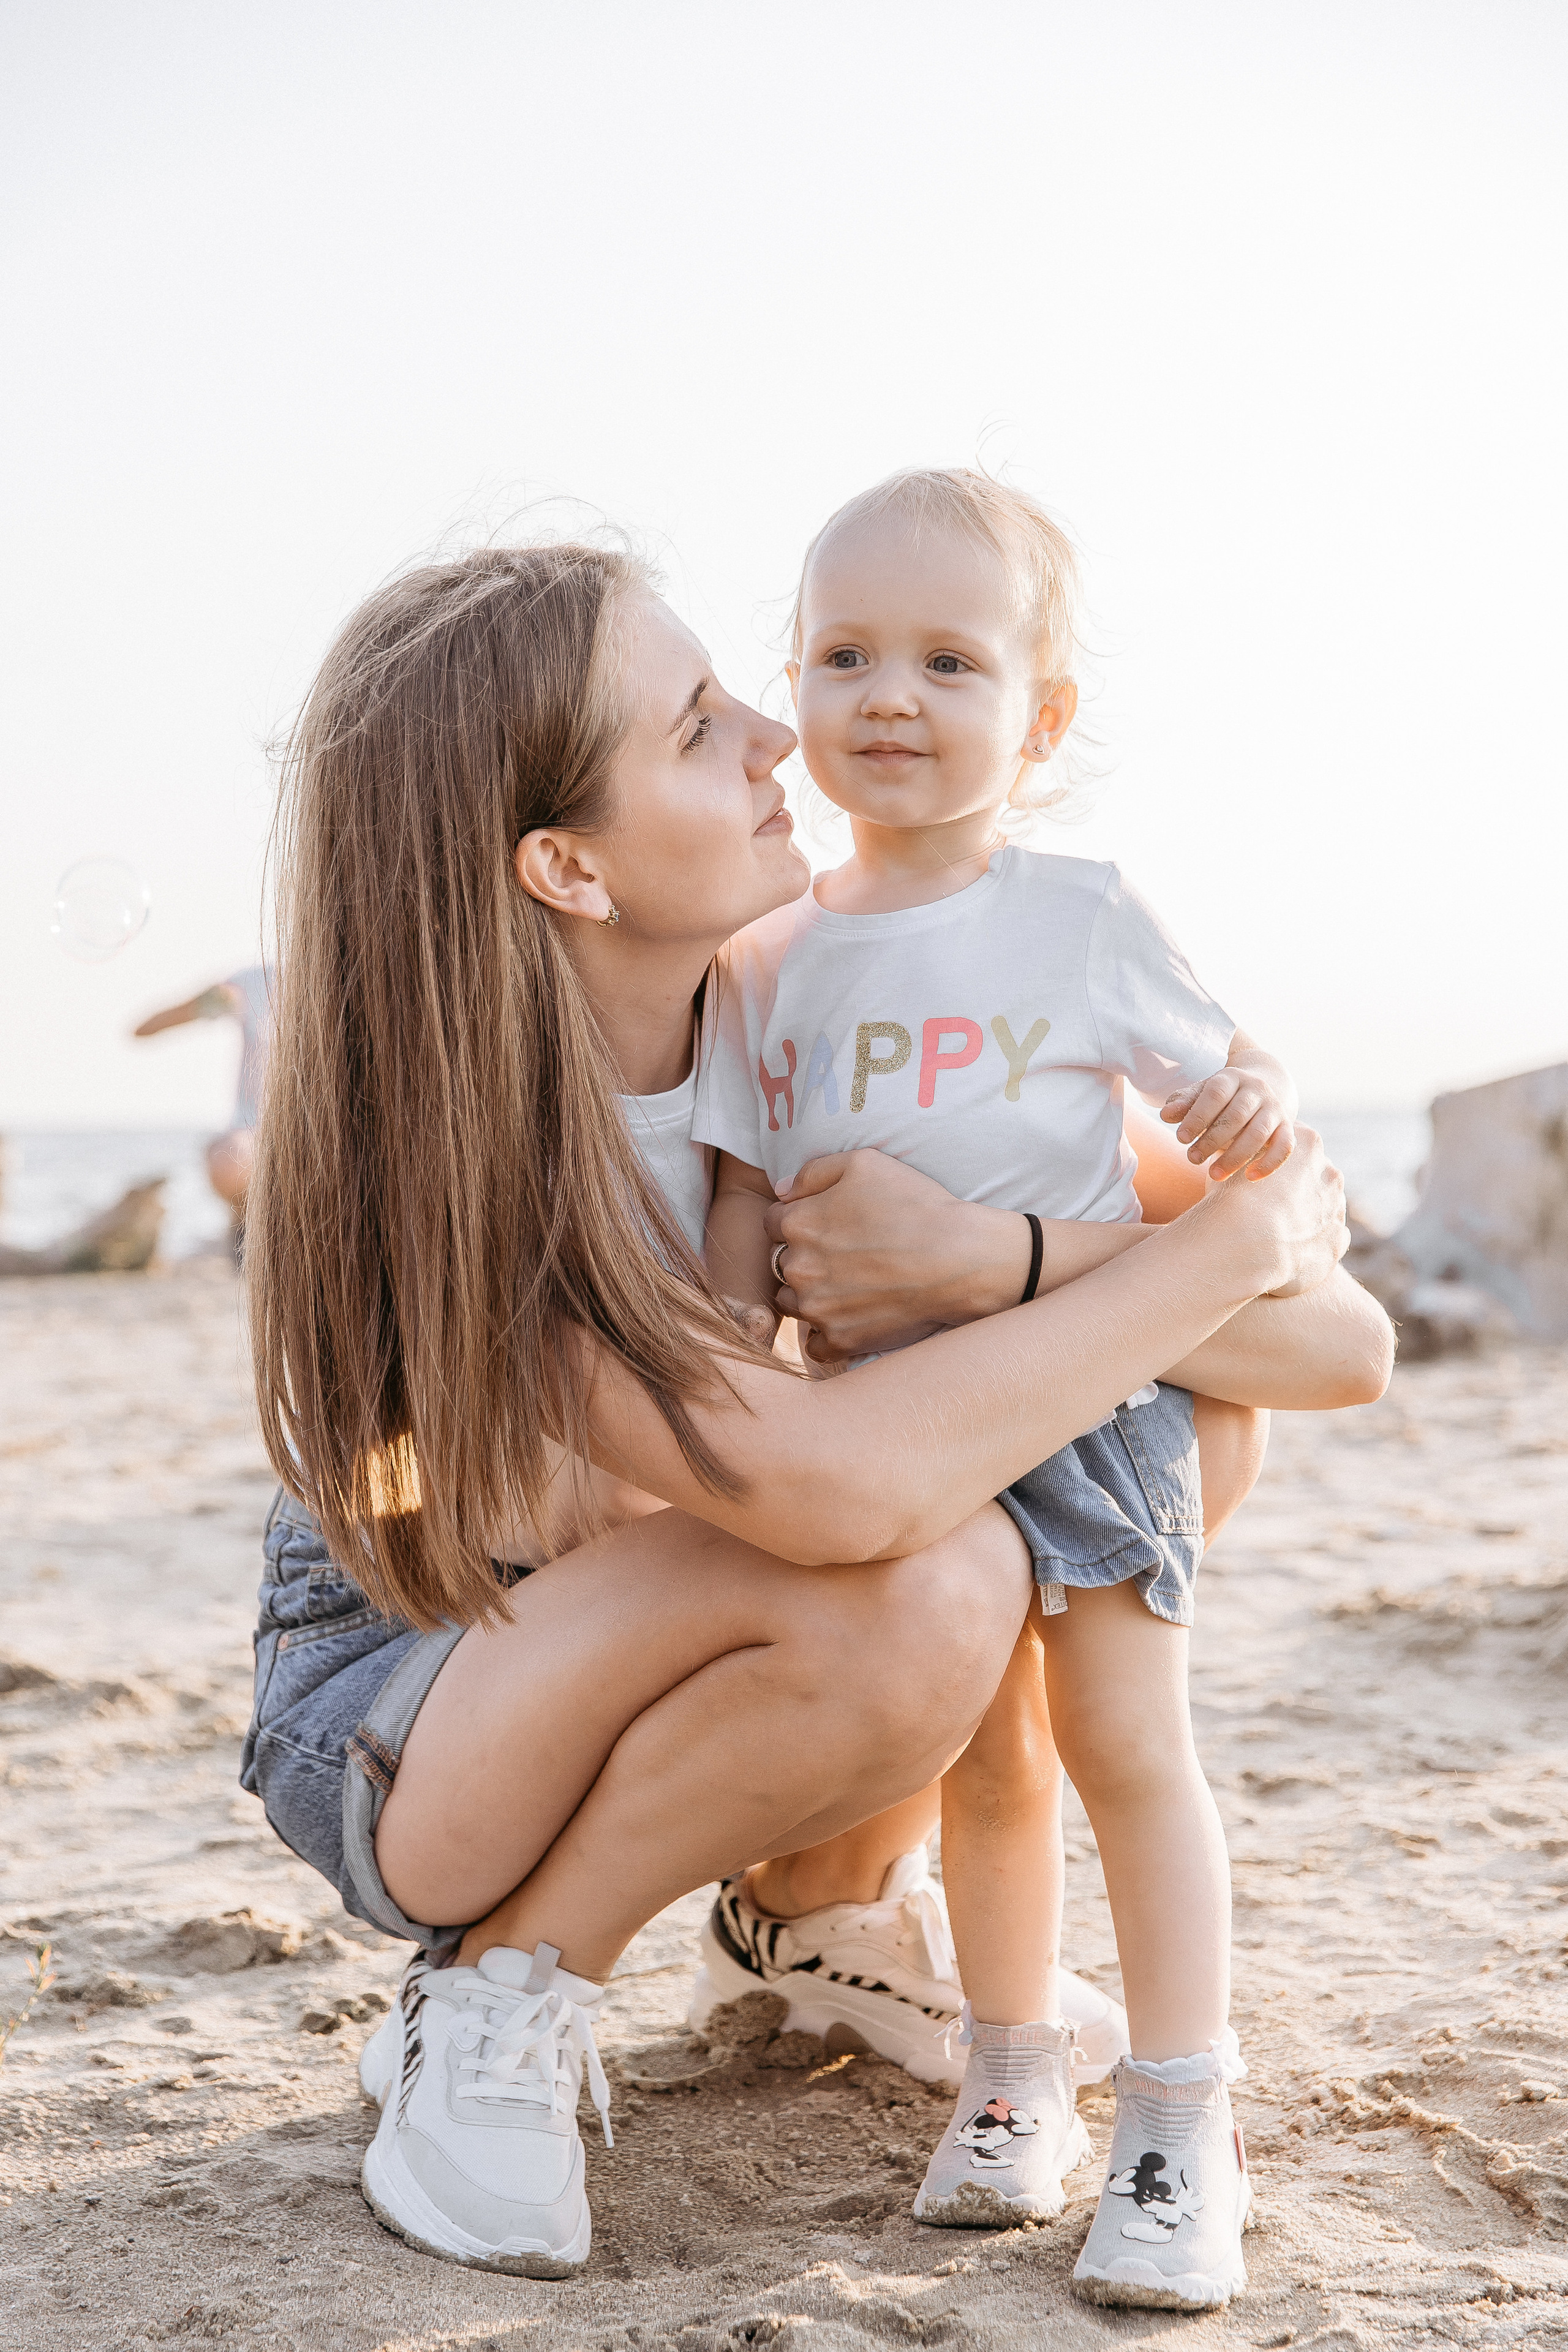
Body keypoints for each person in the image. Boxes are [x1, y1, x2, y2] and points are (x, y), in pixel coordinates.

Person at [241, 539, 1383, 2285]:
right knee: (938, 1559)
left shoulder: (845, 1016)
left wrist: (994, 1255)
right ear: (565, 863)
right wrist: (1212, 1247)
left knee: (1155, 1434)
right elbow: (831, 1495)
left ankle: (813, 1912)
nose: (785, 732)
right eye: (702, 726)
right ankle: (496, 1987)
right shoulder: (459, 1160)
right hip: (423, 1714)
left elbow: (1335, 1346)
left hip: (692, 1606)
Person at [696, 467, 1347, 2308]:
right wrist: (739, 1382)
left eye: (947, 660)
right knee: (986, 1766)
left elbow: (1243, 1082)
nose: (887, 694)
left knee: (1127, 1747)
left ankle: (1176, 2107)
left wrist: (1245, 1101)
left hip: (1083, 1395)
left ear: (1036, 716)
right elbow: (744, 1203)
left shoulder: (1073, 910)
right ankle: (1011, 2071)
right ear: (797, 692)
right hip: (906, 1431)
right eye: (842, 654)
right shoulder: (770, 963)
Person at [132, 966, 273, 1222]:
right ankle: (247, 1237)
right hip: (252, 1135)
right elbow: (144, 1029)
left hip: (322, 1131)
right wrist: (210, 999)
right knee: (229, 1162)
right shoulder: (256, 983)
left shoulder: (348, 981)